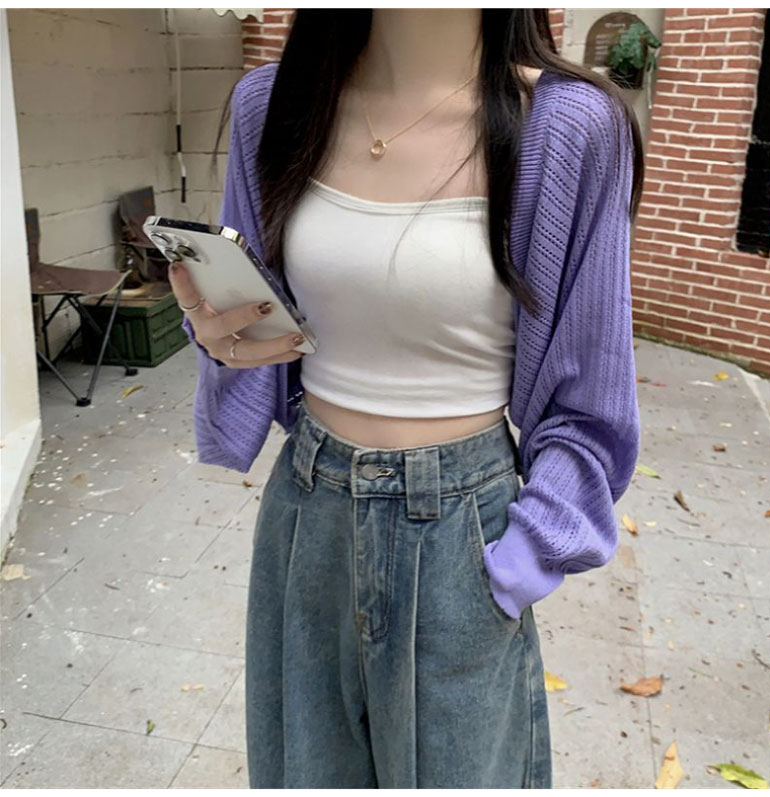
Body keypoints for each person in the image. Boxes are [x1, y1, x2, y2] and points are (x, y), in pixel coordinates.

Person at [168, 8, 643, 789]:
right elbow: (257, 323)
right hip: (307, 517)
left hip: (464, 534)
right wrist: (223, 334)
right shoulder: (273, 105)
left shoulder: (570, 127)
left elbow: (591, 401)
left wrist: (523, 560)